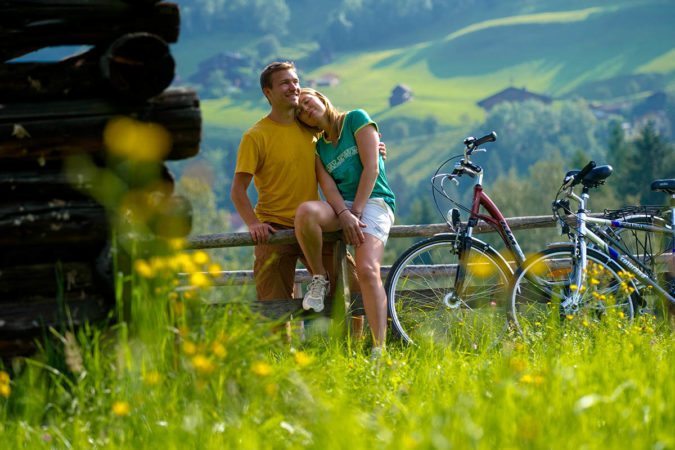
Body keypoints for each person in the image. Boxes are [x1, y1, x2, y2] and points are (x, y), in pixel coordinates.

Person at [231, 62, 383, 305]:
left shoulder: (312, 131)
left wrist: (375, 150)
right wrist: (253, 223)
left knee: (352, 288)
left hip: (314, 227)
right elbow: (238, 190)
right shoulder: (256, 136)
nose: (293, 87)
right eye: (285, 83)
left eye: (295, 81)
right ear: (267, 93)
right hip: (274, 228)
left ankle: (357, 343)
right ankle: (282, 345)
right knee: (274, 303)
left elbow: (347, 151)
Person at [294, 88, 396, 353]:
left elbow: (372, 168)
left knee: (366, 269)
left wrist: (357, 213)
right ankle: (319, 277)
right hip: (343, 208)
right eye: (301, 112)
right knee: (306, 212)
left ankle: (378, 348)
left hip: (374, 201)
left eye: (307, 102)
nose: (306, 110)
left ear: (320, 97)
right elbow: (329, 189)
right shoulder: (319, 150)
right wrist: (344, 214)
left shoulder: (356, 119)